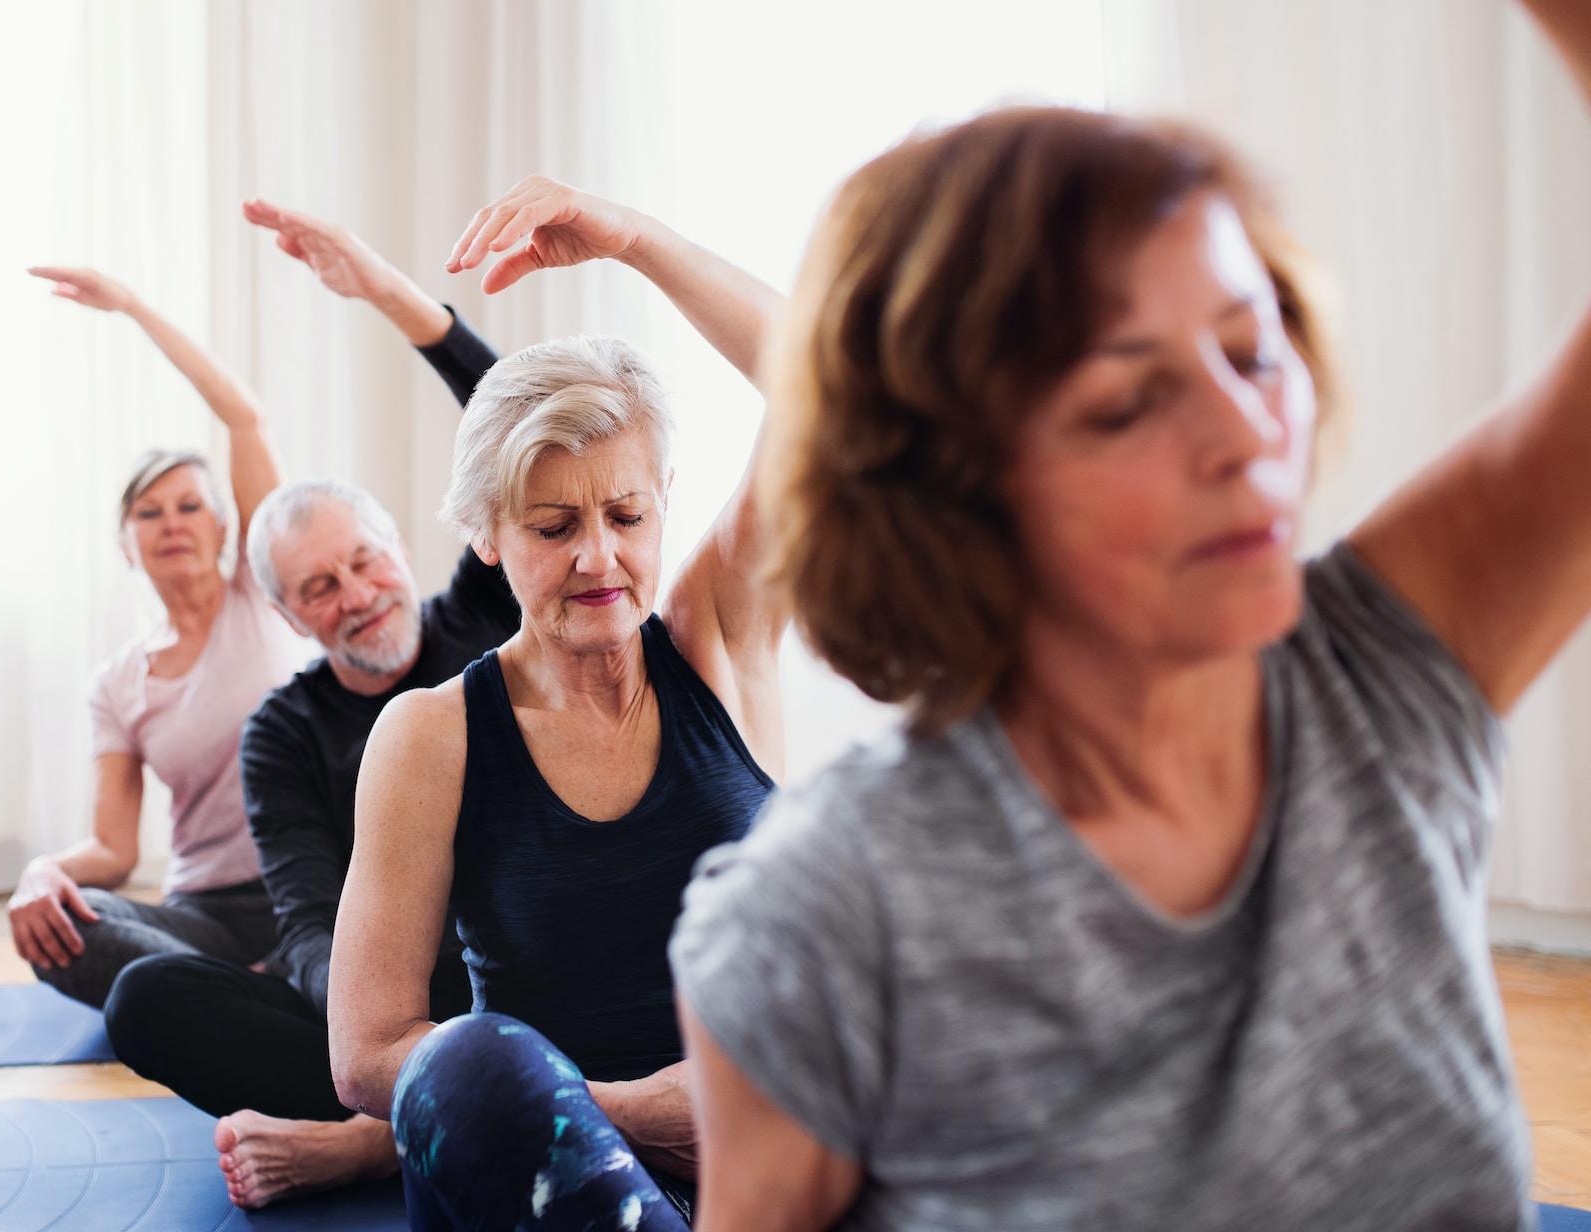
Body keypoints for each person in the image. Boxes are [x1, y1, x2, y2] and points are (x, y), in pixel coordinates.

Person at [666, 3, 1591, 1229]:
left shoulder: (1381, 681)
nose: (1244, 432)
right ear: (956, 489)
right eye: (1127, 402)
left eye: (1252, 349)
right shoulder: (824, 913)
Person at [322, 178, 788, 1229]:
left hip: (762, 1158)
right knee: (474, 1059)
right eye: (551, 525)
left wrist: (636, 240)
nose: (598, 559)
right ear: (487, 534)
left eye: (626, 514)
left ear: (664, 506)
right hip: (540, 1171)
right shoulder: (432, 734)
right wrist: (616, 1113)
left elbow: (826, 383)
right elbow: (367, 1055)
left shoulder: (718, 633)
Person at [96, 200, 521, 1203]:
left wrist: (385, 291)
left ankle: (373, 1144)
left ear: (399, 549)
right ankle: (416, 1111)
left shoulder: (481, 610)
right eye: (321, 587)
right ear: (289, 616)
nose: (357, 594)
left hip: (520, 971)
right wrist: (375, 1040)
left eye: (364, 562)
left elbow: (507, 410)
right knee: (144, 995)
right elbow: (312, 917)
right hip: (382, 1009)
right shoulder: (283, 732)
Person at [5, 264, 302, 1009]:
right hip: (204, 912)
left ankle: (224, 999)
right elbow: (114, 849)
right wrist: (45, 871)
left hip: (310, 885)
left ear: (226, 524)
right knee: (75, 927)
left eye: (188, 505)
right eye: (148, 512)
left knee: (162, 989)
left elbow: (244, 420)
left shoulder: (261, 595)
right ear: (124, 543)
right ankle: (248, 995)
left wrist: (135, 309)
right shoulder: (116, 683)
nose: (171, 522)